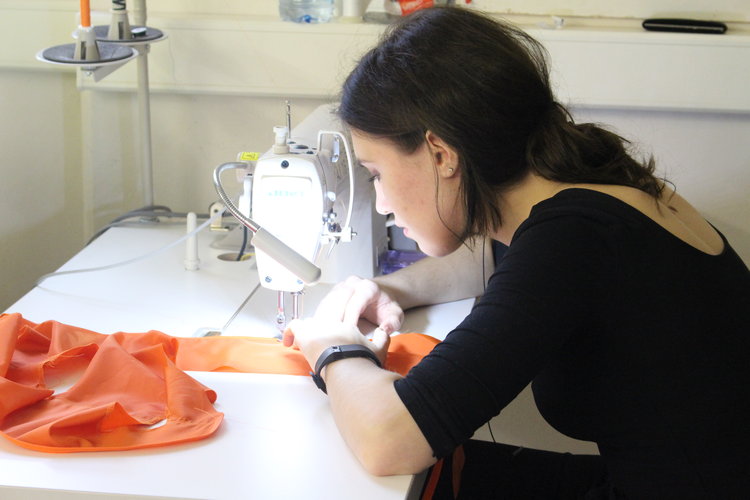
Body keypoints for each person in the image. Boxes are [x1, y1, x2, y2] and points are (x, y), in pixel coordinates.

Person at [282, 6, 750, 499]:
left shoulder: (572, 239)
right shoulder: (592, 186)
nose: (380, 204)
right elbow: (495, 259)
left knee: (384, 476)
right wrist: (386, 288)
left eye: (376, 173)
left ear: (440, 154)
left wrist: (332, 347)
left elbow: (389, 440)